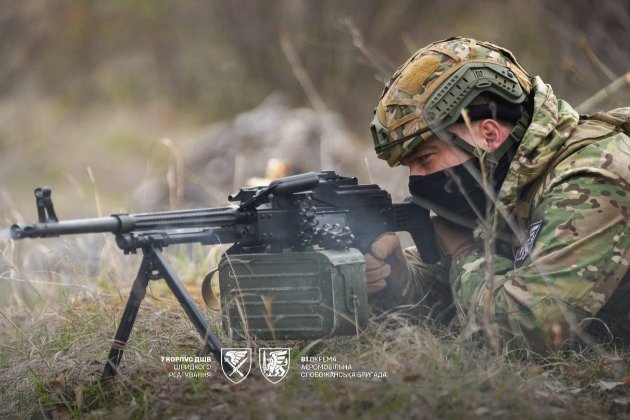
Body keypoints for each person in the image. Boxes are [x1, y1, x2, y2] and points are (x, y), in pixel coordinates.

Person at [365, 36, 630, 352]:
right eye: (409, 167)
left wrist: (463, 251)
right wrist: (396, 276)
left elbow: (533, 328)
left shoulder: (594, 176)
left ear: (489, 135)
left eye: (425, 159)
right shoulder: (505, 182)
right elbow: (450, 299)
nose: (416, 182)